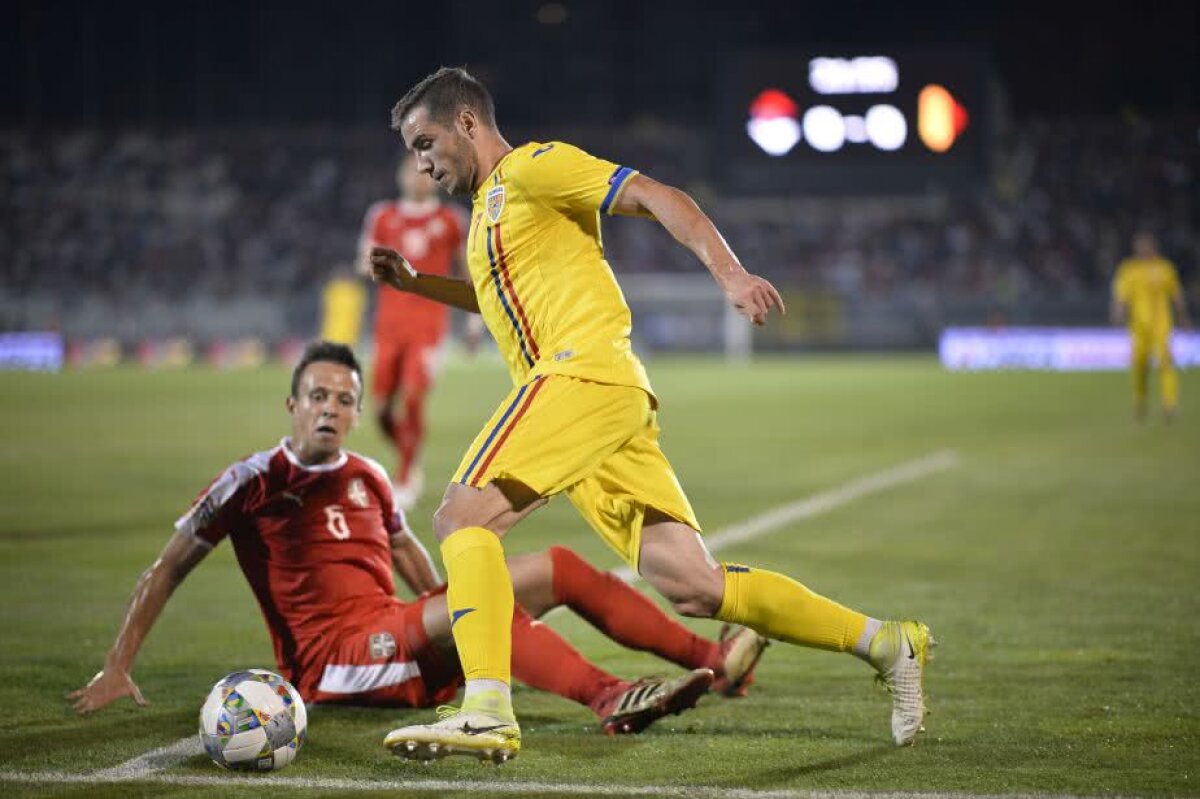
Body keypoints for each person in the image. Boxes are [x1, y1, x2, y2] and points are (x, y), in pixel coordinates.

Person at [369, 67, 934, 763]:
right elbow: (498, 307)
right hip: (598, 401)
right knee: (691, 583)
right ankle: (886, 640)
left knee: (461, 516)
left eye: (425, 142)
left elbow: (658, 195)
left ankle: (485, 707)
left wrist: (731, 274)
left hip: (582, 375)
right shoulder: (489, 211)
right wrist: (418, 285)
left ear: (465, 122)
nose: (421, 163)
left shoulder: (535, 168)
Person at [68, 341, 769, 748]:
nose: (331, 409)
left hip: (384, 634)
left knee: (552, 567)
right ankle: (611, 696)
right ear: (292, 404)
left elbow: (421, 567)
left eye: (344, 399)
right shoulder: (253, 480)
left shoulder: (369, 475)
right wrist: (116, 665)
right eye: (317, 395)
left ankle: (714, 660)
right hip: (330, 663)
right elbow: (167, 569)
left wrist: (461, 617)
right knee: (474, 613)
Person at [357, 154, 475, 509]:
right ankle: (410, 453)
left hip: (429, 326)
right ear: (400, 175)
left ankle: (406, 473)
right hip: (389, 326)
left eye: (426, 172)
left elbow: (469, 270)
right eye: (413, 170)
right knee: (378, 409)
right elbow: (363, 262)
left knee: (412, 396)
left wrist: (472, 321)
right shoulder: (381, 215)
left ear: (436, 178)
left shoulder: (451, 220)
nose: (419, 178)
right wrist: (378, 266)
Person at [1111, 231, 1191, 421]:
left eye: (1147, 246)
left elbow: (1176, 294)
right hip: (1138, 326)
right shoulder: (1129, 269)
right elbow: (1122, 296)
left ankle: (1169, 405)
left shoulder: (1164, 268)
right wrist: (1118, 313)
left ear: (1153, 247)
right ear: (1136, 248)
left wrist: (1182, 317)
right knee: (1139, 365)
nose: (1144, 249)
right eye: (1141, 246)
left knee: (1166, 362)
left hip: (1161, 324)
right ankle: (1140, 402)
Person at [319, 264, 367, 346]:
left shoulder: (356, 291)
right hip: (333, 332)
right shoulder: (335, 289)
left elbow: (359, 313)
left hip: (348, 333)